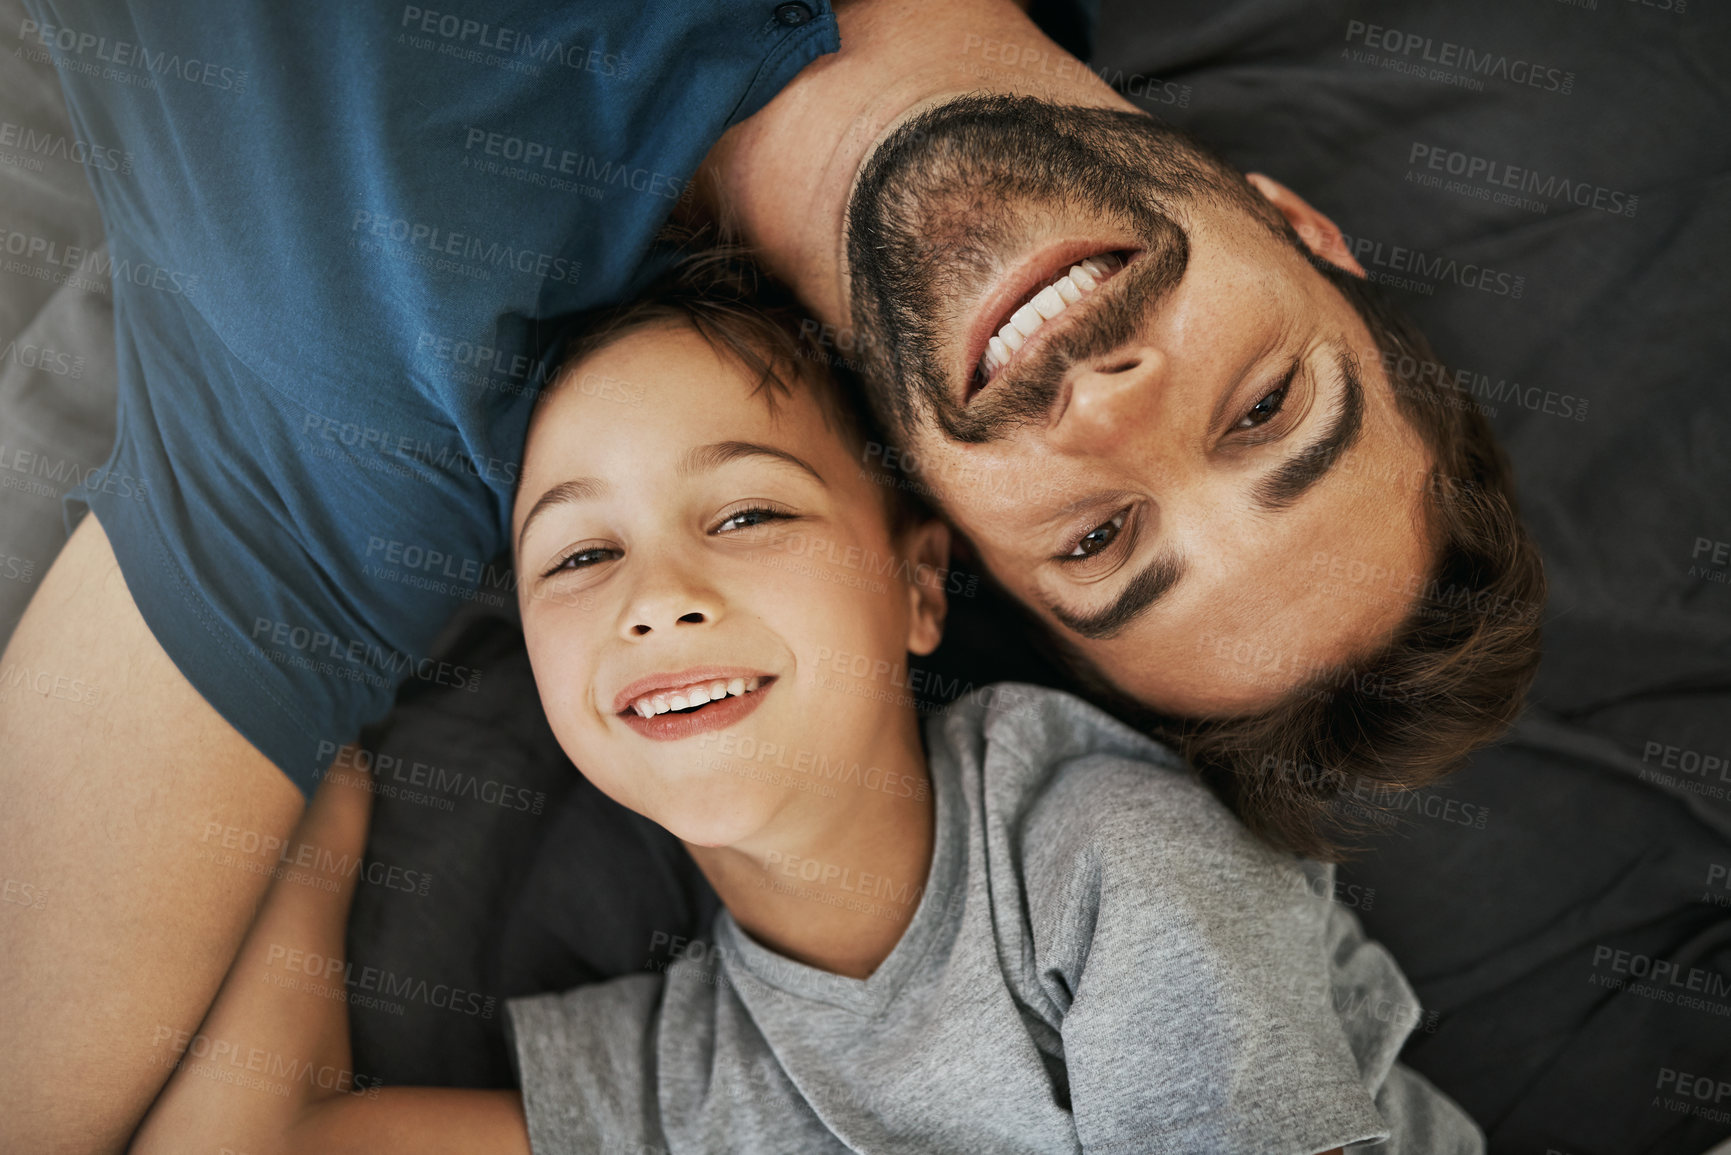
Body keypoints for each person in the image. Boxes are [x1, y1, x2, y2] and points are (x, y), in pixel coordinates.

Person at [0, 1, 1538, 1146]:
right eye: (1267, 407)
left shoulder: (367, 438)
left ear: (936, 553)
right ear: (1297, 230)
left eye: (1096, 539)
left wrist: (313, 844)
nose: (1114, 405)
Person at [130, 256, 1484, 1154]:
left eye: (746, 511)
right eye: (581, 556)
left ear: (918, 586)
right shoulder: (681, 1079)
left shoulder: (1109, 857)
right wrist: (307, 790)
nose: (655, 598)